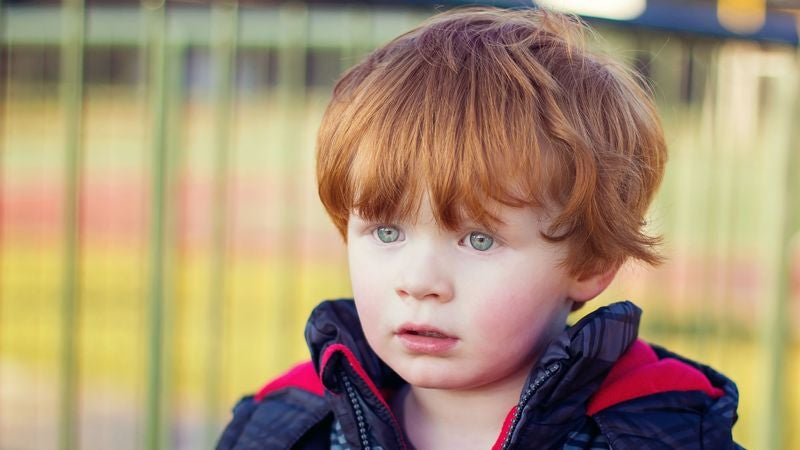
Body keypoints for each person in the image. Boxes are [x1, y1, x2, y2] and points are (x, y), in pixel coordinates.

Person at [217, 6, 740, 450]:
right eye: (386, 232)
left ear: (591, 261)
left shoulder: (659, 430)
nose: (419, 281)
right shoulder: (288, 427)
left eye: (479, 239)